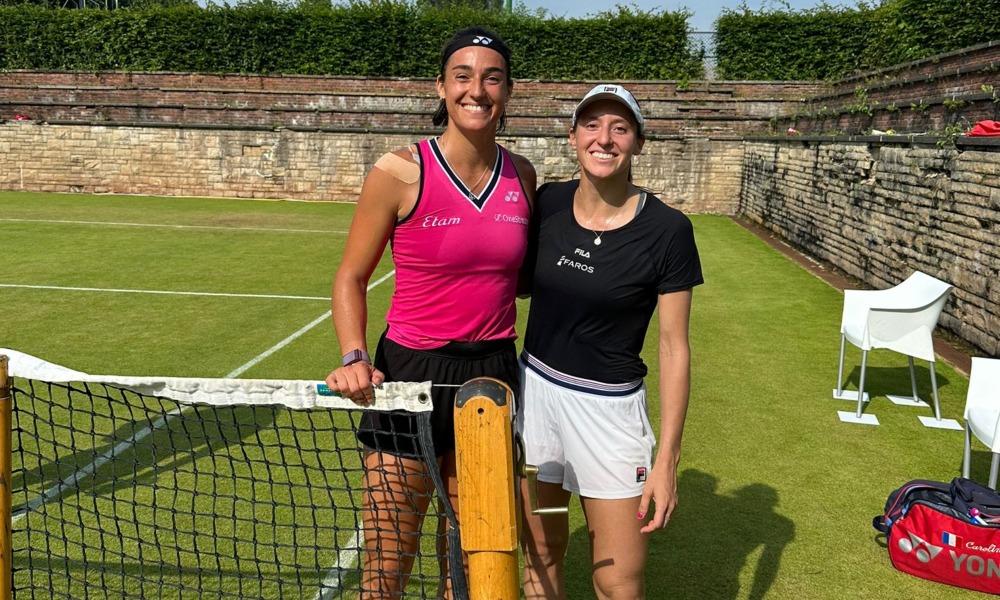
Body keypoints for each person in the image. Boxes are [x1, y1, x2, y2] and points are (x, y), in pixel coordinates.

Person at [323, 27, 536, 599]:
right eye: (462, 76)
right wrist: (354, 356)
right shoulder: (399, 170)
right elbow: (351, 276)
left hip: (492, 376)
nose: (477, 90)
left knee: (471, 563)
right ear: (440, 87)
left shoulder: (524, 176)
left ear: (509, 92)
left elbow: (517, 281)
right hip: (409, 375)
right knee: (389, 562)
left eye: (492, 77)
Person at [517, 84, 703, 600]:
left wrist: (667, 461)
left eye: (619, 128)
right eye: (592, 126)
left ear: (638, 142)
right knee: (542, 552)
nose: (605, 139)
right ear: (573, 136)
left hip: (610, 416)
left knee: (616, 579)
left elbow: (673, 348)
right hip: (536, 401)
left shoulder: (669, 230)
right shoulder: (548, 202)